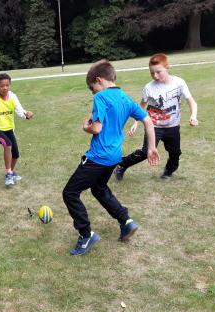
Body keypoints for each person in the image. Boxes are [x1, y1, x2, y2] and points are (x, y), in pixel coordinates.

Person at [62, 60, 158, 256]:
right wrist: (151, 148)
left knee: (70, 193)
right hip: (114, 157)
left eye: (92, 88)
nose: (93, 93)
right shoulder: (125, 98)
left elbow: (96, 128)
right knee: (99, 189)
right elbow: (148, 121)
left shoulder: (101, 98)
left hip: (98, 157)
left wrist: (85, 127)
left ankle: (85, 235)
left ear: (99, 80)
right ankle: (126, 221)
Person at [115, 53, 198, 180]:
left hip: (173, 126)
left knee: (175, 153)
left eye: (158, 72)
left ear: (167, 67)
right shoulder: (149, 88)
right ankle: (122, 164)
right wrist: (136, 122)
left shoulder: (179, 83)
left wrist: (193, 115)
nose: (155, 76)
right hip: (154, 127)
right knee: (145, 152)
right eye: (152, 73)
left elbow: (191, 101)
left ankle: (168, 171)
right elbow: (140, 107)